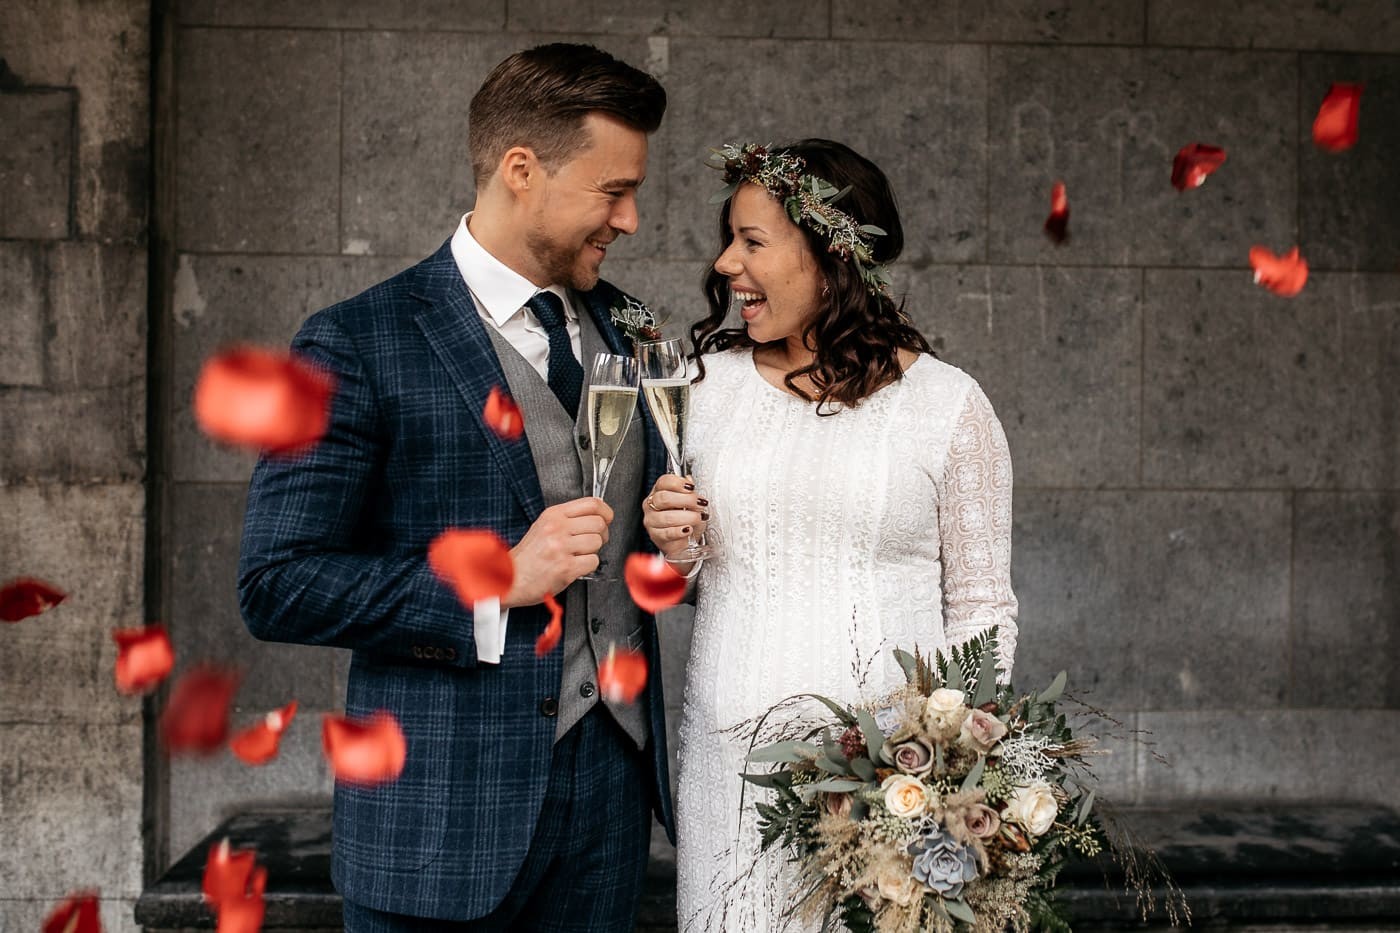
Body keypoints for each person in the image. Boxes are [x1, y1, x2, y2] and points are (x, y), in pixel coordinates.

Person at [238, 43, 672, 932]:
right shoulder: (355, 341)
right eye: (611, 189)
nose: (630, 219)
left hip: (607, 814)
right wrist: (495, 581)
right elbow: (276, 581)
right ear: (521, 170)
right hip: (435, 829)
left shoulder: (634, 330)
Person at [642, 139, 1020, 931]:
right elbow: (682, 578)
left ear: (831, 254)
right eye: (728, 240)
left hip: (889, 789)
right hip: (731, 769)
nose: (724, 265)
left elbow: (984, 609)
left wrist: (950, 767)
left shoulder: (946, 406)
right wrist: (673, 546)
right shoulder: (704, 393)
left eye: (751, 242)